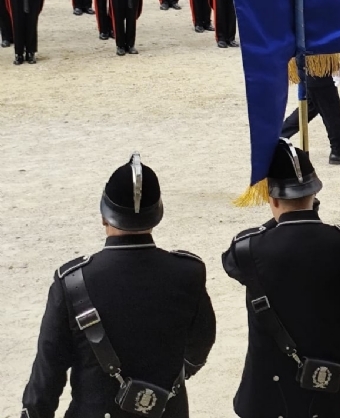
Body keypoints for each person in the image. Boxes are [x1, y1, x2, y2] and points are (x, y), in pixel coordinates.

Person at [20, 153, 216, 418]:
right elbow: (203, 338)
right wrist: (178, 374)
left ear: (104, 217)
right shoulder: (188, 272)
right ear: (157, 216)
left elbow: (48, 371)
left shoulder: (73, 281)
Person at [222, 139, 340, 418]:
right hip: (327, 390)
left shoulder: (247, 247)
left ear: (271, 198)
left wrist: (276, 223)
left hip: (265, 398)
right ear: (315, 192)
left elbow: (229, 263)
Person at [281, 74, 340, 165]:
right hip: (315, 67)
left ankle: (278, 136)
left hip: (312, 69)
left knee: (312, 105)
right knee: (328, 103)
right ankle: (339, 149)